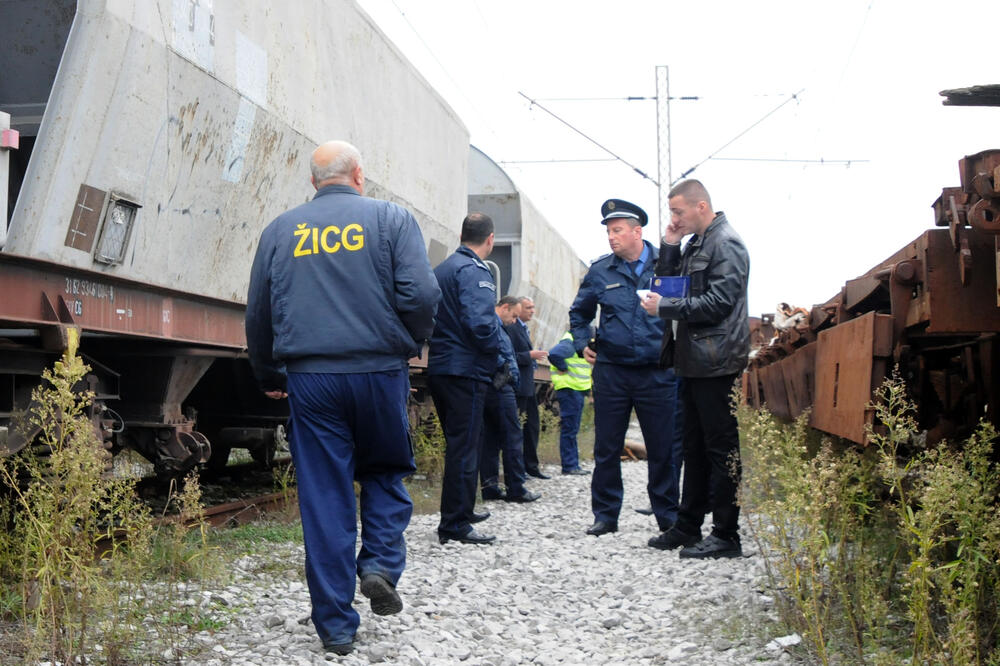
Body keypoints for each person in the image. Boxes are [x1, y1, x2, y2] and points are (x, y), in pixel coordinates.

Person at [245, 140, 441, 655]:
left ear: (314, 182)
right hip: (378, 370)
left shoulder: (280, 230)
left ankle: (335, 626)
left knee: (326, 495)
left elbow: (259, 312)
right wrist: (410, 341)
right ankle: (378, 564)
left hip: (311, 378)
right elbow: (421, 295)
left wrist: (269, 371)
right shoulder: (391, 220)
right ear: (359, 174)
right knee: (384, 469)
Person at [640, 179, 750, 559]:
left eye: (678, 212)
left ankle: (726, 535)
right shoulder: (696, 244)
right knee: (694, 447)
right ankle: (688, 526)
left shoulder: (727, 244)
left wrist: (665, 309)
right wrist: (669, 245)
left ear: (701, 206)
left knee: (721, 450)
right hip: (694, 360)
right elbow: (672, 285)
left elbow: (719, 302)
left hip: (717, 362)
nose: (674, 218)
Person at [569, 199, 684, 538]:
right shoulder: (601, 271)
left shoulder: (668, 265)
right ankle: (605, 516)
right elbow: (580, 314)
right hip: (613, 372)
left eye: (617, 230)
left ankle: (668, 517)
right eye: (608, 231)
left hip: (658, 371)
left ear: (637, 232)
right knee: (607, 447)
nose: (611, 237)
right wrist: (581, 343)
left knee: (662, 449)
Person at [428, 212, 510, 546]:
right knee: (464, 447)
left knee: (459, 444)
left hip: (443, 367)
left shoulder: (443, 269)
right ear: (490, 239)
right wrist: (498, 358)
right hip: (467, 371)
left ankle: (463, 509)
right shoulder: (476, 272)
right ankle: (455, 524)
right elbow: (481, 324)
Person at [479, 296, 543, 503]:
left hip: (493, 383)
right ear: (504, 308)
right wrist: (504, 370)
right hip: (499, 384)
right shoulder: (493, 325)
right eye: (514, 315)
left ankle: (490, 487)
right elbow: (496, 351)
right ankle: (516, 487)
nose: (515, 320)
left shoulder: (493, 323)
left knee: (491, 437)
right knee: (512, 435)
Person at [506, 296, 550, 479]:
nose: (532, 310)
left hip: (528, 384)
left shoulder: (522, 328)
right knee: (517, 429)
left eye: (533, 307)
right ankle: (519, 471)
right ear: (517, 309)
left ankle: (531, 466)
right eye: (528, 307)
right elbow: (509, 355)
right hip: (518, 385)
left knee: (531, 426)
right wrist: (529, 355)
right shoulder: (511, 328)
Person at [546, 331, 592, 475]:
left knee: (572, 429)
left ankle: (573, 464)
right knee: (570, 430)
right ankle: (570, 466)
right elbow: (554, 354)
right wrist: (563, 368)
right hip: (570, 389)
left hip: (575, 390)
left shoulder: (575, 340)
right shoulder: (570, 341)